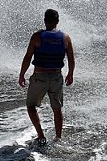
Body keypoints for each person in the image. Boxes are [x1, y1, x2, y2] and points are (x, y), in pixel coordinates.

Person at [18, 9, 75, 145]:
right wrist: (70, 74)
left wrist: (21, 75)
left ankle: (41, 135)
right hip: (56, 77)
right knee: (57, 108)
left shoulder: (37, 37)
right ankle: (58, 138)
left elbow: (27, 58)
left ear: (45, 21)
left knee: (31, 106)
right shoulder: (65, 37)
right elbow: (71, 59)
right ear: (57, 21)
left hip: (40, 77)